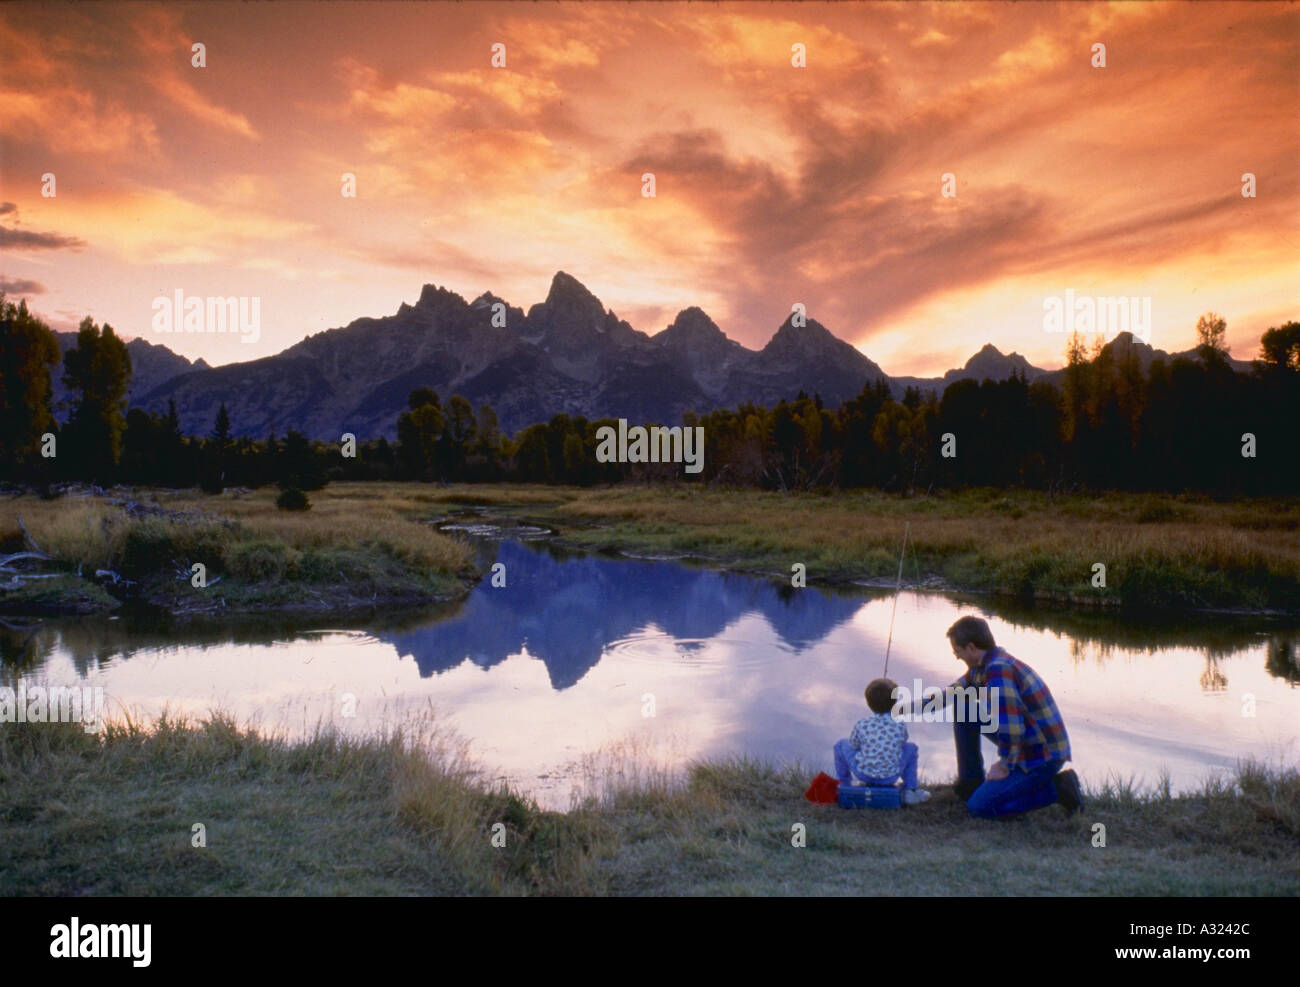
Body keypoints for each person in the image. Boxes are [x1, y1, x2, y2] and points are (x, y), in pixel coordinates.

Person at [943, 615, 1084, 819]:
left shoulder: (998, 670)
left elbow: (1012, 727)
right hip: (1029, 741)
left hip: (1043, 756)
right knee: (964, 709)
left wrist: (1004, 765)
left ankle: (1059, 789)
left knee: (980, 807)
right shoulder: (984, 666)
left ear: (971, 648)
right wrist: (900, 708)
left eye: (958, 651)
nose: (957, 656)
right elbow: (950, 694)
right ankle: (970, 783)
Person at [834, 677, 931, 805]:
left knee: (841, 744)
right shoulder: (899, 724)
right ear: (894, 704)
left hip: (863, 774)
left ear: (868, 703)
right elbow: (902, 743)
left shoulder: (862, 724)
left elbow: (854, 744)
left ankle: (843, 783)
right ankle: (910, 790)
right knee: (911, 747)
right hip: (891, 777)